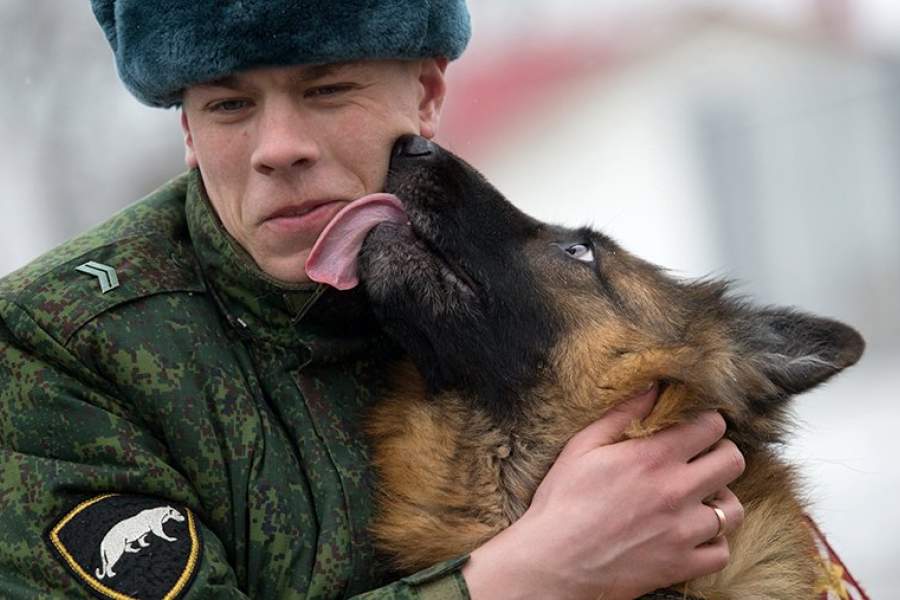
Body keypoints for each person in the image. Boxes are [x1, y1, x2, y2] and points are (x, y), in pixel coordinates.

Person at [0, 2, 746, 599]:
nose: (279, 147)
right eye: (229, 106)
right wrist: (524, 578)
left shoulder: (512, 301)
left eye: (327, 91)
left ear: (424, 94)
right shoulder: (62, 345)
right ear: (189, 130)